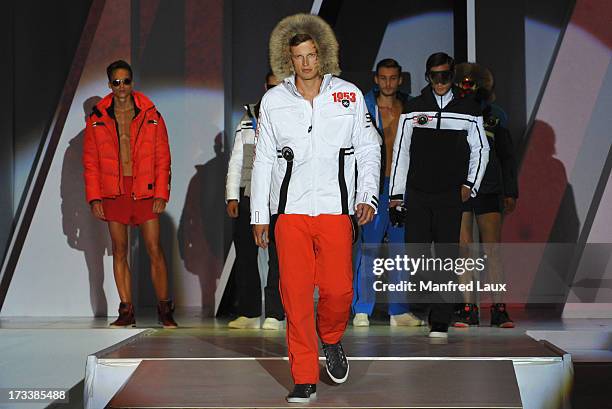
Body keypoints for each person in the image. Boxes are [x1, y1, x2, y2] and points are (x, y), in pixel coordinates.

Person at [250, 14, 381, 403]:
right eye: (298, 57)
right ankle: (304, 376)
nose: (306, 63)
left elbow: (369, 148)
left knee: (339, 291)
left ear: (322, 56)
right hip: (289, 214)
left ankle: (333, 338)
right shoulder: (274, 101)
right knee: (294, 294)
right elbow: (263, 161)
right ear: (289, 61)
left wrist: (367, 194)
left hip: (336, 210)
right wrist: (260, 215)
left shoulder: (349, 95)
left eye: (311, 55)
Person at [389, 52, 489, 339]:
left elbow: (482, 148)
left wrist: (471, 184)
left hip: (449, 194)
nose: (441, 81)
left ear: (453, 75)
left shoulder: (469, 108)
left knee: (446, 256)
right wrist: (396, 196)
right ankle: (429, 306)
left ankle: (441, 318)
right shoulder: (415, 106)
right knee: (416, 255)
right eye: (435, 76)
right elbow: (401, 152)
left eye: (446, 75)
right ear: (428, 76)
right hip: (418, 193)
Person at [82, 60, 177, 328]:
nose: (121, 87)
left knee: (154, 248)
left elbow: (163, 157)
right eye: (116, 82)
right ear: (109, 85)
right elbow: (90, 162)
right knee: (119, 250)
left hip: (144, 188)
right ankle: (126, 310)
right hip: (114, 191)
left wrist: (161, 192)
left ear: (132, 82)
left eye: (126, 81)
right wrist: (94, 197)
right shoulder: (97, 119)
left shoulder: (151, 114)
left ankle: (164, 308)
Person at [352, 58, 423, 327]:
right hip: (372, 185)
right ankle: (362, 309)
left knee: (400, 250)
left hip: (401, 187)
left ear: (400, 79)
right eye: (383, 78)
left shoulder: (411, 106)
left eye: (393, 78)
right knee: (368, 248)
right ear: (376, 79)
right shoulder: (363, 106)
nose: (388, 83)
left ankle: (398, 310)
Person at [452, 62, 518, 328]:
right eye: (463, 83)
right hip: (460, 189)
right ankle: (469, 308)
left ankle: (499, 309)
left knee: (493, 251)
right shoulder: (451, 113)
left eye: (472, 83)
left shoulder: (495, 116)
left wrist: (510, 191)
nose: (467, 88)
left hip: (489, 188)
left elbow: (506, 156)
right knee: (464, 250)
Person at [225, 71, 285, 330]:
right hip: (250, 195)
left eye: (279, 86)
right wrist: (232, 195)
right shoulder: (249, 118)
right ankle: (249, 313)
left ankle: (275, 313)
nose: (274, 90)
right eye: (271, 86)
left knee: (279, 257)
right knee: (246, 255)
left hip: (281, 198)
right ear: (265, 86)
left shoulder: (293, 115)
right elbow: (237, 160)